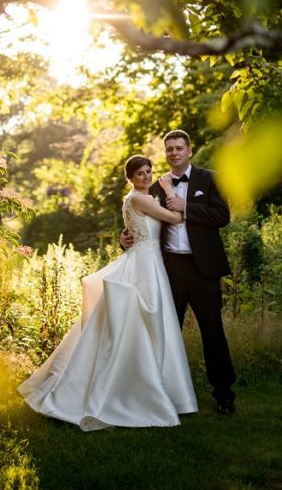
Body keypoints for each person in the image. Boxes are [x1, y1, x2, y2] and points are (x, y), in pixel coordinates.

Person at [19, 155, 197, 429]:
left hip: (148, 261)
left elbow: (135, 231)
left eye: (149, 172)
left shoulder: (137, 199)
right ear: (131, 178)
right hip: (144, 265)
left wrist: (125, 237)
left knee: (145, 323)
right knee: (141, 322)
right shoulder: (141, 199)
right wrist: (171, 192)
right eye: (140, 174)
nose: (147, 177)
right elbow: (173, 216)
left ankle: (156, 386)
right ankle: (134, 392)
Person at [121, 130, 237, 415]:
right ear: (166, 153)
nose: (174, 153)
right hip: (167, 269)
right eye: (169, 149)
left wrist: (187, 207)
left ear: (189, 150)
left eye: (179, 148)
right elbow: (139, 218)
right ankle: (159, 393)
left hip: (203, 270)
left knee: (213, 332)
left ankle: (224, 394)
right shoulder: (155, 185)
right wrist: (123, 239)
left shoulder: (209, 178)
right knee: (162, 331)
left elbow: (222, 217)